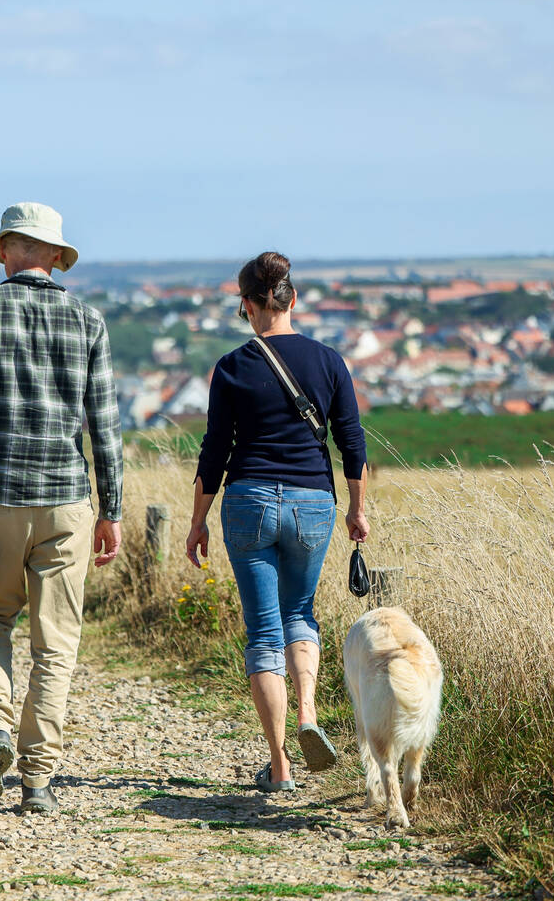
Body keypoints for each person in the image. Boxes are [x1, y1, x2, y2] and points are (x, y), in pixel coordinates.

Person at [0, 202, 124, 814]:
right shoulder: (89, 320)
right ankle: (38, 779)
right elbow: (105, 426)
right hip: (67, 502)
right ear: (57, 257)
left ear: (8, 250)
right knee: (56, 643)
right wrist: (113, 509)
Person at [185, 251, 369, 792]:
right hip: (314, 502)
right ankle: (308, 712)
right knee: (300, 614)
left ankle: (281, 764)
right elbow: (352, 442)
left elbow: (214, 451)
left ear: (246, 305)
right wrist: (357, 509)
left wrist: (198, 521)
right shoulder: (329, 361)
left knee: (263, 632)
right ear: (293, 298)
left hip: (248, 502)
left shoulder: (232, 366)